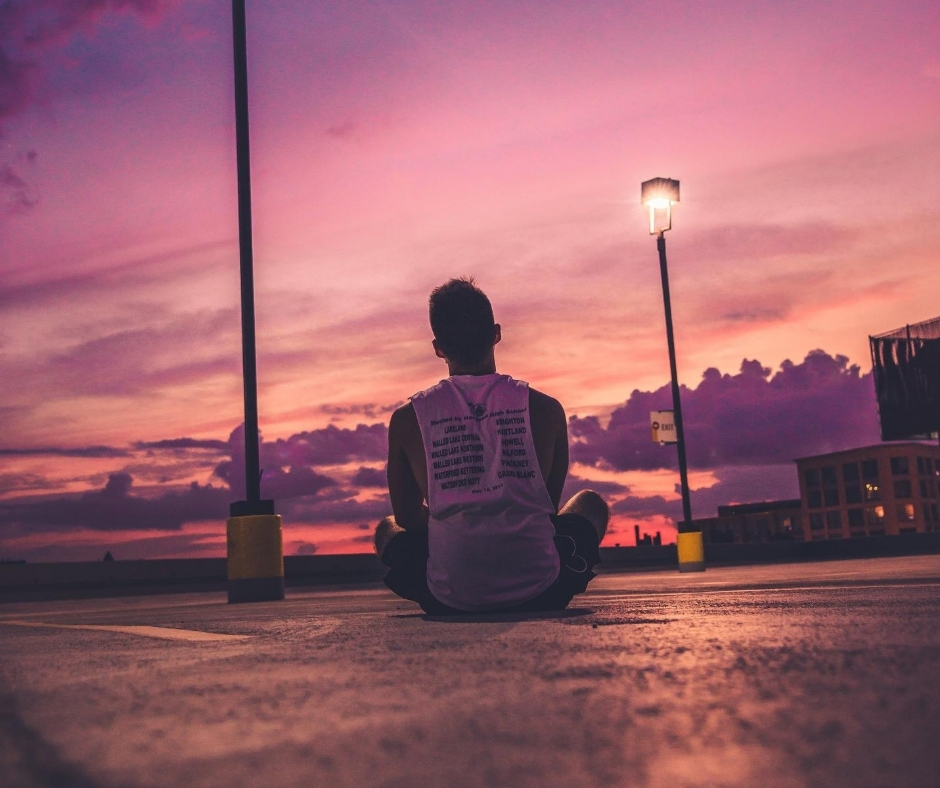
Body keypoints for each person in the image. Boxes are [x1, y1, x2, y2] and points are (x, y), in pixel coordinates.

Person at [376, 277, 608, 615]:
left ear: (438, 347)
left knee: (388, 526)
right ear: (496, 333)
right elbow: (547, 509)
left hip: (449, 599)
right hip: (542, 590)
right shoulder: (547, 409)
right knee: (590, 503)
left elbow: (409, 519)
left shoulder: (408, 418)